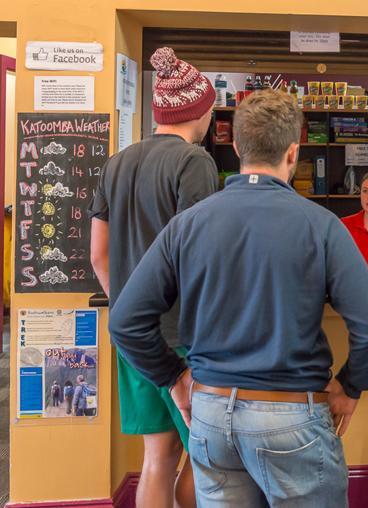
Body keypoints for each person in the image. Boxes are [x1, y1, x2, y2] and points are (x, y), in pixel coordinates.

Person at [108, 89, 368, 507]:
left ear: (237, 146)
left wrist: (174, 377)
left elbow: (125, 320)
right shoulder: (322, 225)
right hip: (292, 417)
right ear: (293, 152)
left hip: (211, 415)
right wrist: (351, 386)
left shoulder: (188, 224)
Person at [89, 47, 217, 508]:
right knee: (207, 460)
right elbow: (199, 259)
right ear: (198, 110)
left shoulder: (116, 163)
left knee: (157, 458)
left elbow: (99, 255)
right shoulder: (194, 162)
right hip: (183, 340)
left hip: (134, 342)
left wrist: (131, 311)